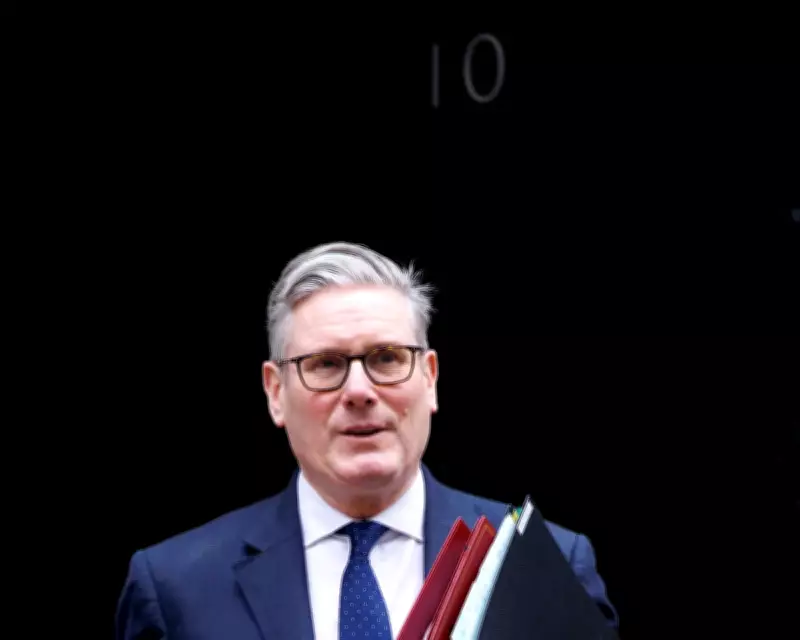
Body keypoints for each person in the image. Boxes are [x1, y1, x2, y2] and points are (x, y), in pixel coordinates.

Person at [115, 241, 618, 639]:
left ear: (430, 378)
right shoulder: (176, 588)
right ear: (275, 392)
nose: (359, 390)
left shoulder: (543, 563)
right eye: (325, 364)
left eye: (387, 358)